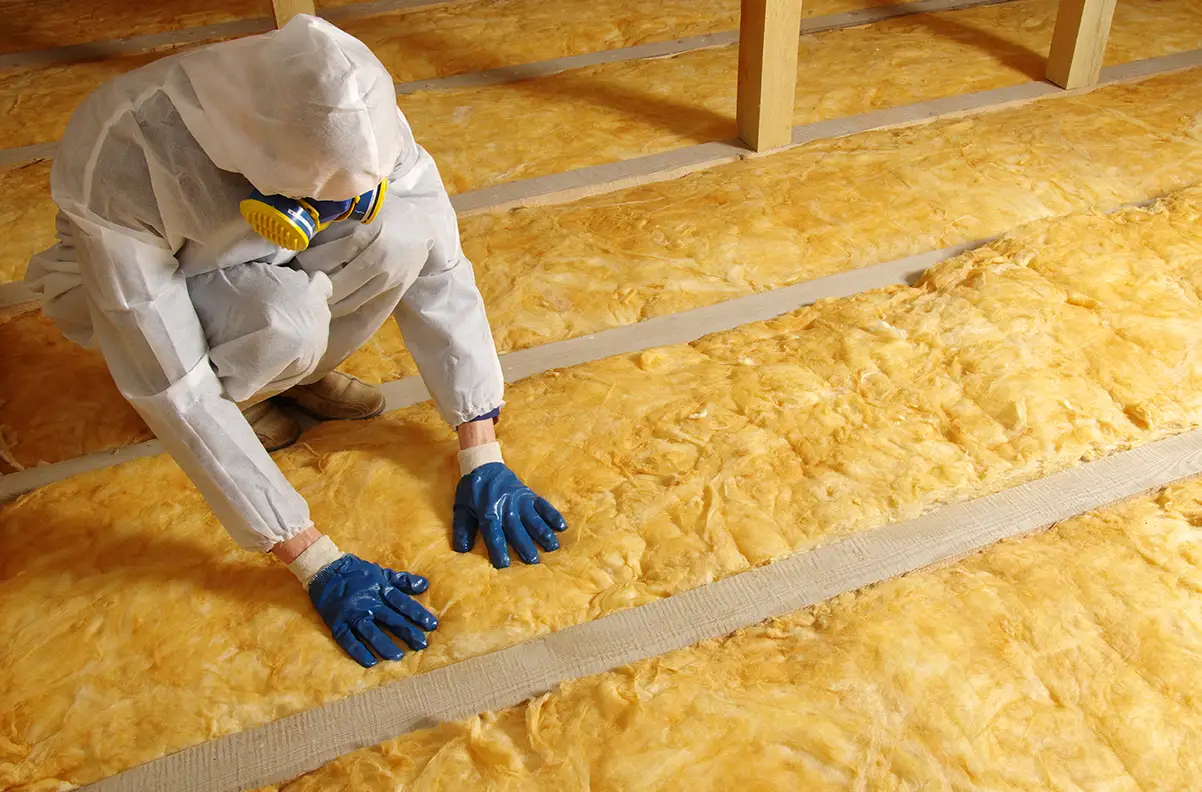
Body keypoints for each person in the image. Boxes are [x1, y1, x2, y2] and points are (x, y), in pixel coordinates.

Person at [24, 15, 568, 668]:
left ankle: (289, 373)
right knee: (284, 321)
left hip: (270, 259)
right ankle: (256, 392)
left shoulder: (361, 113)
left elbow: (437, 266)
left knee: (399, 231)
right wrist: (311, 556)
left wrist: (480, 444)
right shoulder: (127, 149)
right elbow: (171, 384)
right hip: (158, 286)